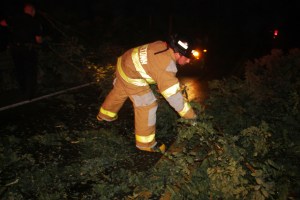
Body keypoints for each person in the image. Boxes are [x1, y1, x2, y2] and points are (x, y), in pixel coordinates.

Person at [97, 34, 199, 153]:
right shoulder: (166, 66)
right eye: (187, 57)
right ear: (177, 53)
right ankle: (145, 144)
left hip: (123, 62)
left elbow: (151, 66)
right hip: (131, 73)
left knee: (120, 91)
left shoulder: (162, 45)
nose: (188, 61)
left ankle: (104, 116)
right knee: (147, 104)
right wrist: (191, 117)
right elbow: (174, 97)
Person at [0, 3, 43, 99]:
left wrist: (10, 26)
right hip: (28, 49)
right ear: (32, 11)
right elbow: (38, 40)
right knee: (30, 71)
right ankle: (30, 94)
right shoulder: (34, 22)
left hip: (15, 49)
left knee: (20, 70)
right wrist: (42, 41)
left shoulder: (15, 19)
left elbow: (2, 22)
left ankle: (23, 91)